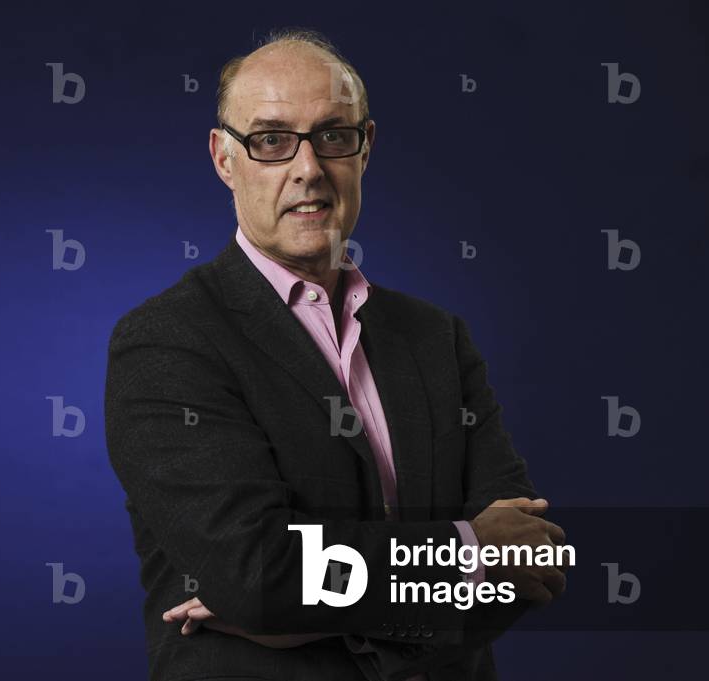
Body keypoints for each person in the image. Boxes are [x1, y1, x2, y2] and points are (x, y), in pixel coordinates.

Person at [105, 28, 567, 681]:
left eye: (333, 135)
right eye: (269, 140)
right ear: (222, 158)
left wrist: (307, 623)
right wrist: (469, 546)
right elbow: (258, 573)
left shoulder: (436, 337)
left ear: (365, 148)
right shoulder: (167, 340)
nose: (308, 168)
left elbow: (531, 563)